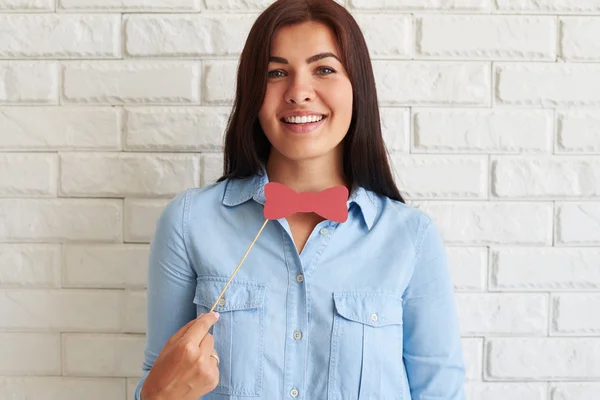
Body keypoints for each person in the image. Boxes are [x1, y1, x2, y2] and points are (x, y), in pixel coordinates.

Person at [135, 0, 466, 399]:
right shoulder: (189, 222)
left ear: (356, 86)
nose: (299, 93)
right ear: (253, 93)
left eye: (324, 69)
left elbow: (440, 392)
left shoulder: (411, 237)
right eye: (276, 73)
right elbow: (160, 379)